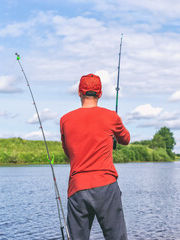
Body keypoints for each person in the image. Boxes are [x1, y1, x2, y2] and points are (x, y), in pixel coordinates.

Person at [60, 73, 130, 240]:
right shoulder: (111, 117)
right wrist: (113, 135)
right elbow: (126, 139)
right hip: (106, 185)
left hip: (77, 188)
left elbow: (68, 152)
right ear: (100, 93)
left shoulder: (65, 120)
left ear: (79, 92)